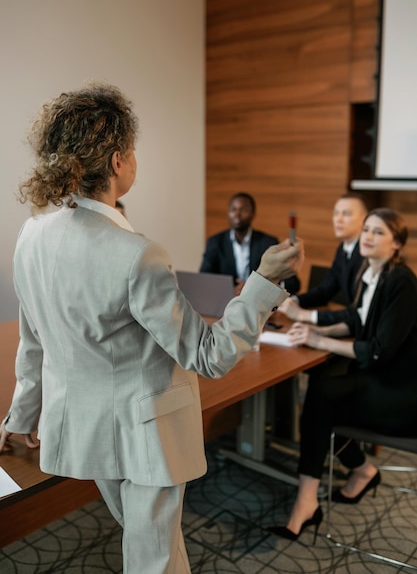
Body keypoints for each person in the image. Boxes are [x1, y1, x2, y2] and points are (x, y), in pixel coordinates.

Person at [0, 83, 303, 574]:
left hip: (86, 430)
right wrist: (264, 281)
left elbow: (34, 341)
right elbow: (209, 356)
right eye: (134, 151)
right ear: (118, 161)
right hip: (146, 438)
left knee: (151, 548)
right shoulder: (137, 253)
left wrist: (19, 417)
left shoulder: (31, 233)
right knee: (153, 560)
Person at [268, 207, 417, 542]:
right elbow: (355, 320)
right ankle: (349, 476)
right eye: (367, 229)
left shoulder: (402, 281)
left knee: (323, 397)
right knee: (323, 382)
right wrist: (307, 327)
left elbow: (378, 349)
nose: (368, 236)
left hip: (403, 394)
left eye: (379, 232)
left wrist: (319, 338)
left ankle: (327, 489)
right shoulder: (372, 272)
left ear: (396, 245)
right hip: (381, 377)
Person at [279, 192, 368, 325]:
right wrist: (294, 301)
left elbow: (361, 311)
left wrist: (306, 315)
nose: (338, 219)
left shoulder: (369, 255)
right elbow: (325, 290)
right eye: (336, 213)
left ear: (365, 219)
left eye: (346, 214)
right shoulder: (343, 248)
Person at [200, 192, 300, 296]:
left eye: (243, 210)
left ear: (253, 214)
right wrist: (230, 290)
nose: (237, 214)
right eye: (233, 209)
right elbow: (204, 280)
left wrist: (254, 288)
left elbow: (292, 284)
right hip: (226, 304)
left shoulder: (268, 243)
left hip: (259, 303)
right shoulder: (215, 242)